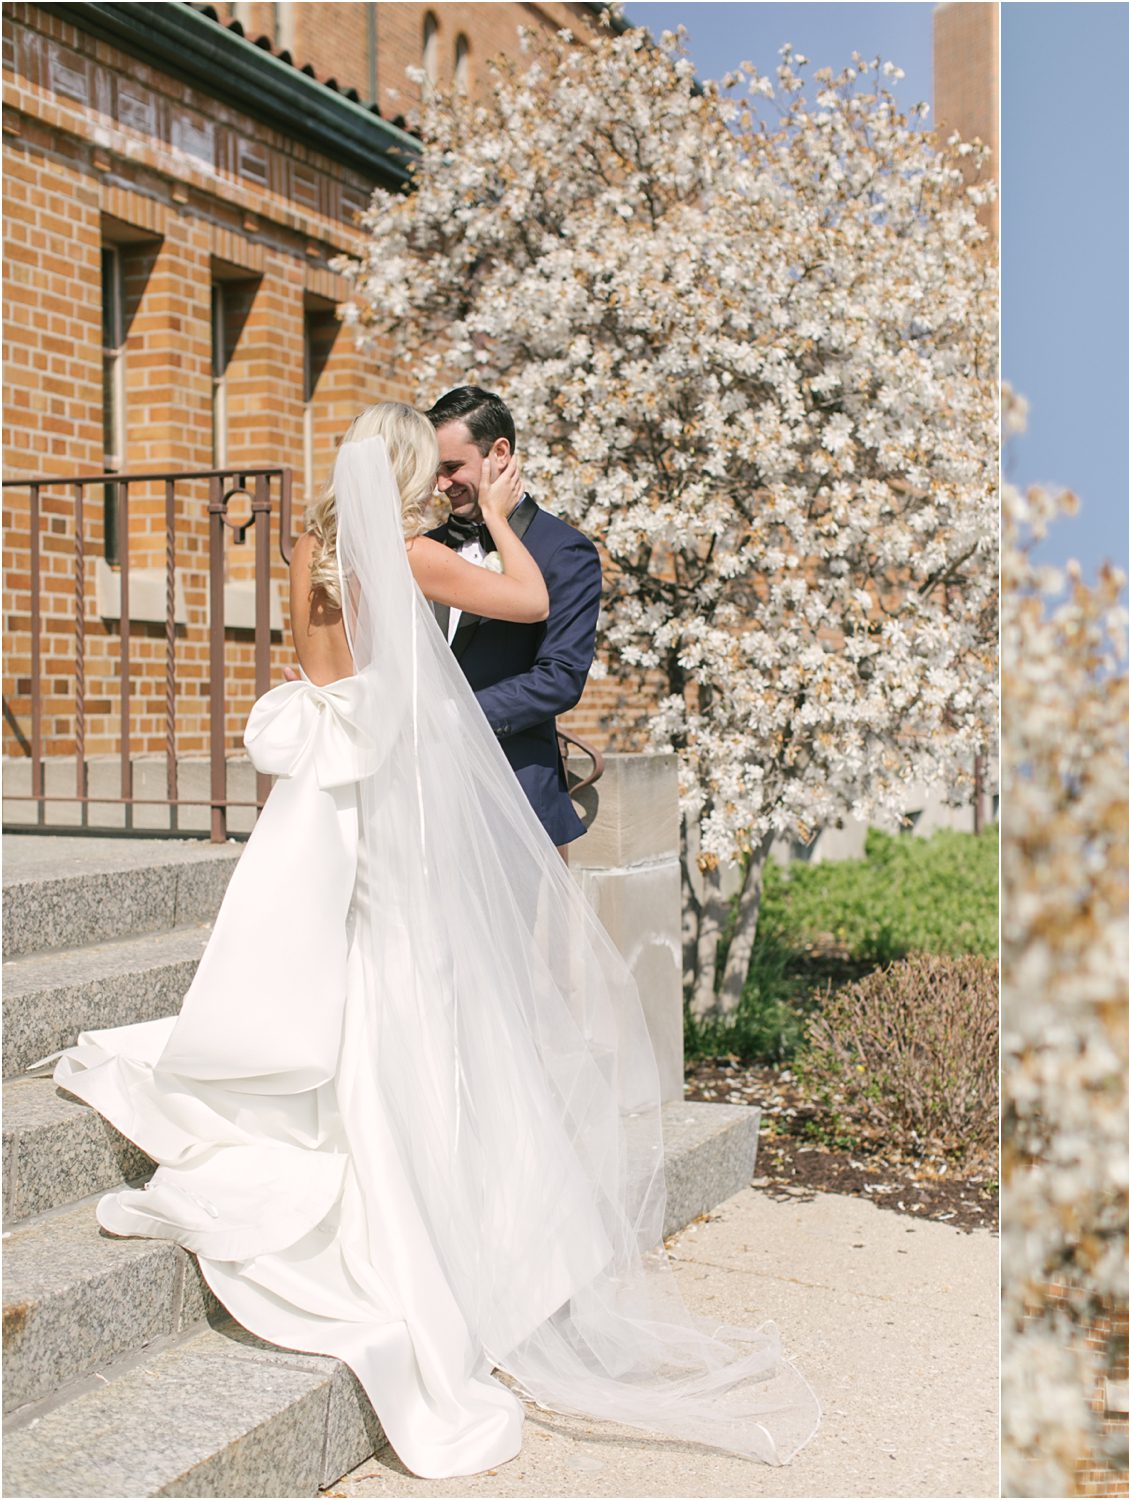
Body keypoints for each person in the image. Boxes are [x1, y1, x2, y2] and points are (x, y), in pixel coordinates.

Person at [50, 404, 819, 1478]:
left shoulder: (308, 544)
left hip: (324, 778)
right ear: (407, 476)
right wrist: (501, 519)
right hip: (390, 783)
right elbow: (530, 600)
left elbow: (328, 667)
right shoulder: (403, 551)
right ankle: (414, 1191)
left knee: (338, 956)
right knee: (408, 975)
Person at [423, 387, 601, 858]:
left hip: (513, 790)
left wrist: (453, 716)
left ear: (499, 453)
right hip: (421, 790)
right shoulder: (425, 548)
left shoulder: (564, 551)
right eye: (435, 470)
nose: (441, 485)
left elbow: (560, 679)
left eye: (452, 467)